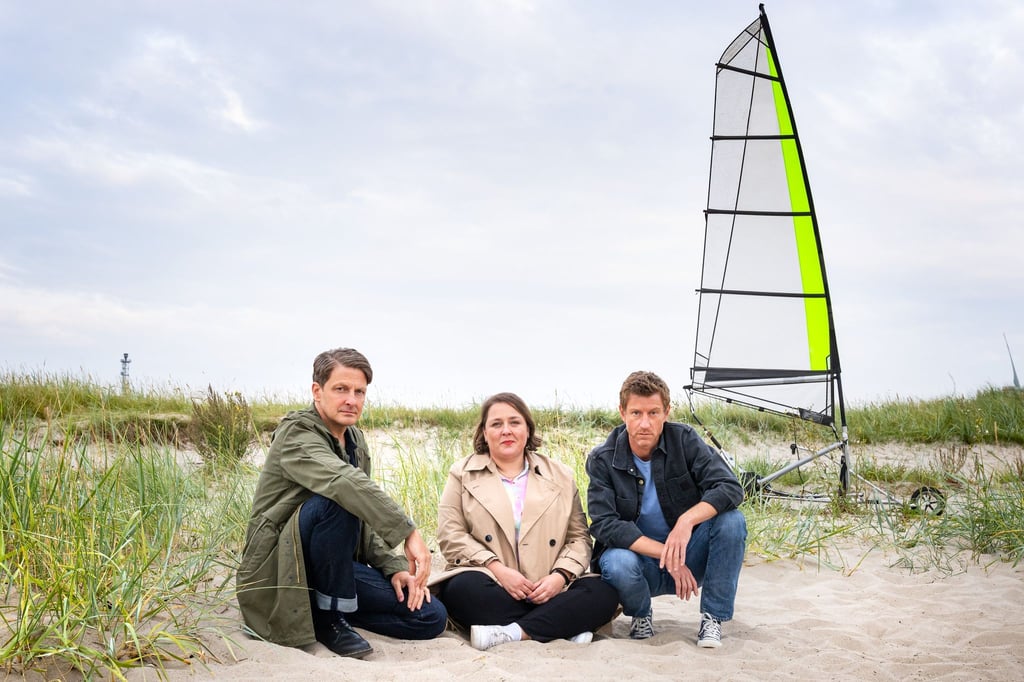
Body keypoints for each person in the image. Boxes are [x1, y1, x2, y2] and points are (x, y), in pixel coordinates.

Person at [236, 348, 447, 659]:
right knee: (334, 502)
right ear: (317, 391)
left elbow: (363, 514)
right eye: (341, 389)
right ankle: (329, 618)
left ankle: (325, 608)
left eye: (359, 391)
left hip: (334, 567)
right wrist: (407, 532)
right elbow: (343, 483)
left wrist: (393, 567)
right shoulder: (296, 433)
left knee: (431, 616)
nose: (352, 399)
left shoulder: (355, 440)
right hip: (283, 566)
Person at [431, 392, 620, 651]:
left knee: (604, 592)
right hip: (493, 582)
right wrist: (498, 569)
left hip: (549, 587)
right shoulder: (462, 473)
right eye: (496, 424)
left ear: (528, 429)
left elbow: (578, 538)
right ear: (484, 433)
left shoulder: (561, 475)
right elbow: (450, 534)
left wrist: (560, 577)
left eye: (514, 422)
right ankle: (562, 626)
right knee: (461, 590)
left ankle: (513, 632)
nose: (506, 430)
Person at [586, 371, 746, 648]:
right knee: (616, 562)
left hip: (689, 553)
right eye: (636, 413)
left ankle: (712, 619)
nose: (644, 423)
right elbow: (604, 524)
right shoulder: (603, 458)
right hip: (641, 563)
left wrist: (686, 521)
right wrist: (667, 555)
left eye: (653, 412)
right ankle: (640, 614)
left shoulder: (685, 440)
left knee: (732, 521)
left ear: (667, 412)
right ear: (622, 412)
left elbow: (730, 487)